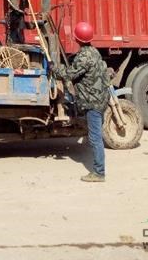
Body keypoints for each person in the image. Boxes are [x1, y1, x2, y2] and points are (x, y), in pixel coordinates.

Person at [53, 21, 110, 182]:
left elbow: (69, 75)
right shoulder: (94, 52)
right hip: (100, 99)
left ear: (77, 39)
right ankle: (99, 170)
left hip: (92, 102)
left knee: (95, 138)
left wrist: (54, 68)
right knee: (95, 135)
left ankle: (99, 173)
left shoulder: (83, 57)